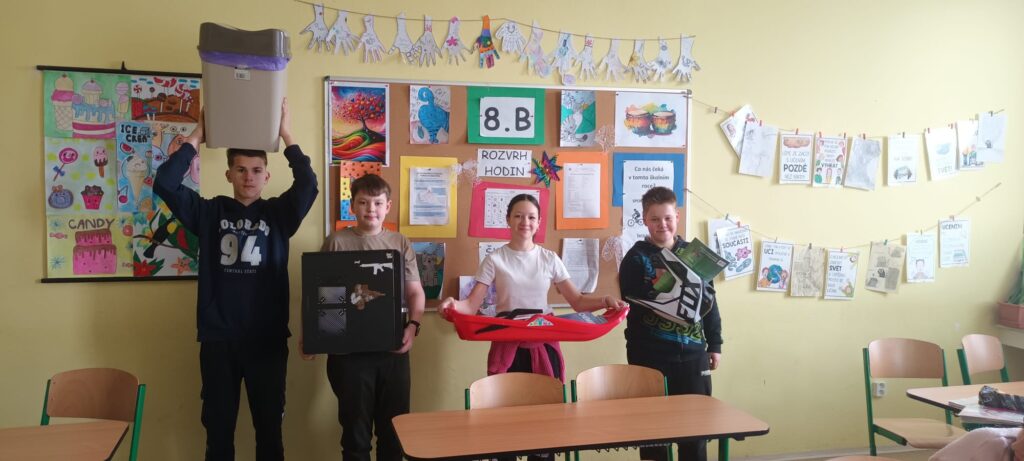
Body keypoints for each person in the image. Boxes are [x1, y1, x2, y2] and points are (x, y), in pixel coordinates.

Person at [153, 98, 318, 461]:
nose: (249, 177)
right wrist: (198, 133)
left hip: (267, 341)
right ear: (228, 174)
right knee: (218, 438)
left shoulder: (279, 214)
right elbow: (165, 182)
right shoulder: (208, 212)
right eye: (241, 169)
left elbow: (308, 184)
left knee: (270, 437)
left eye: (257, 170)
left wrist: (286, 134)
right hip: (219, 340)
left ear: (267, 176)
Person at [439, 193, 627, 383]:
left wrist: (606, 301)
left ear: (538, 222)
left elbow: (577, 302)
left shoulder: (549, 258)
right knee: (508, 400)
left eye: (531, 217)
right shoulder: (494, 259)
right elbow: (470, 306)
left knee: (547, 399)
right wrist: (452, 304)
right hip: (507, 345)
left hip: (544, 344)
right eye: (518, 216)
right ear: (508, 219)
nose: (525, 222)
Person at [317, 173, 426, 461]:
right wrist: (312, 336)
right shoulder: (336, 242)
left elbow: (415, 292)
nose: (370, 209)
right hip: (348, 355)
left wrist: (413, 326)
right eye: (363, 202)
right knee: (355, 434)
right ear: (352, 206)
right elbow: (322, 295)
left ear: (388, 206)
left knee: (395, 433)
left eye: (377, 203)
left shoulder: (399, 242)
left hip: (392, 349)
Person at [618, 186, 722, 461]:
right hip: (649, 358)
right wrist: (666, 286)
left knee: (695, 436)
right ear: (644, 220)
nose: (662, 224)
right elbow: (631, 302)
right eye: (654, 219)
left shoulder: (695, 255)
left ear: (677, 216)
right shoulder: (635, 258)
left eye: (667, 218)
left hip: (693, 356)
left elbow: (710, 303)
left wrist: (715, 344)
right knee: (654, 437)